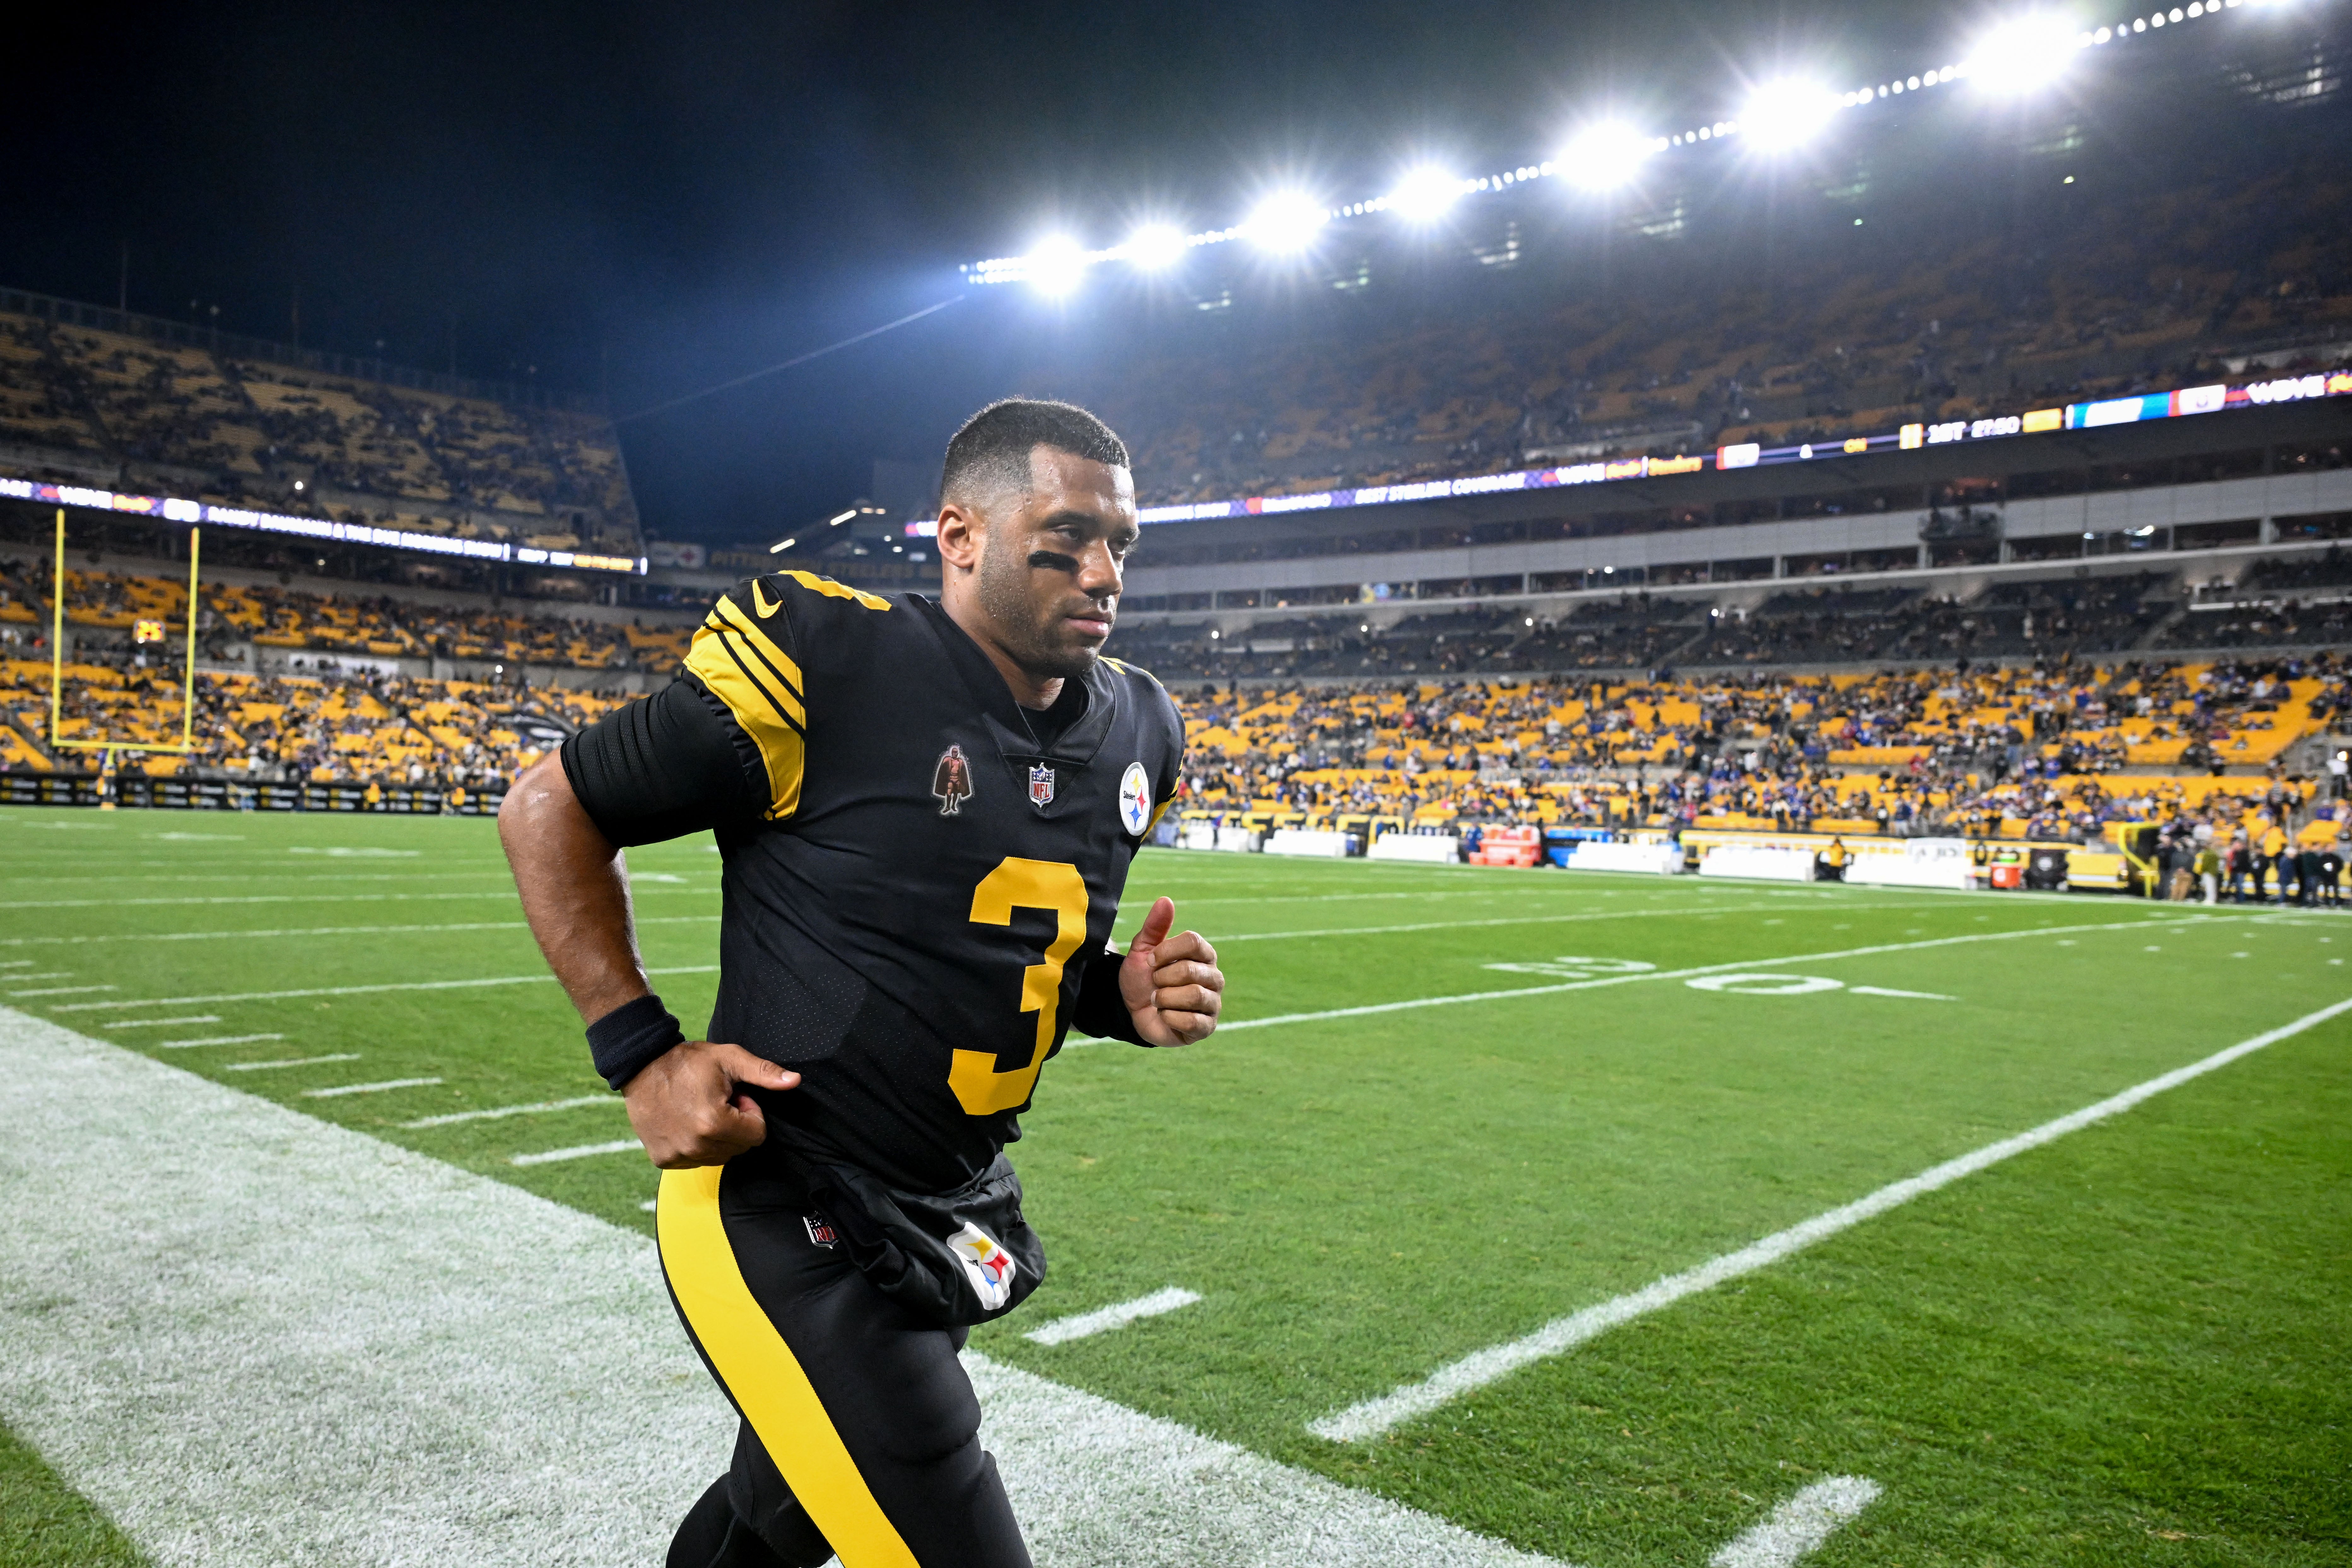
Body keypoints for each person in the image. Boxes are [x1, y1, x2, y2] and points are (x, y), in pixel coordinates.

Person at [499, 399, 1224, 1568]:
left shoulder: (1142, 727)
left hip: (949, 1202)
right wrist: (638, 1049)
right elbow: (550, 806)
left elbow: (971, 938)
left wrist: (1111, 997)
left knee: (772, 1524)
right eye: (1068, 534)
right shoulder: (831, 662)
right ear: (960, 534)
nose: (1103, 572)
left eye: (1122, 545)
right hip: (785, 1196)